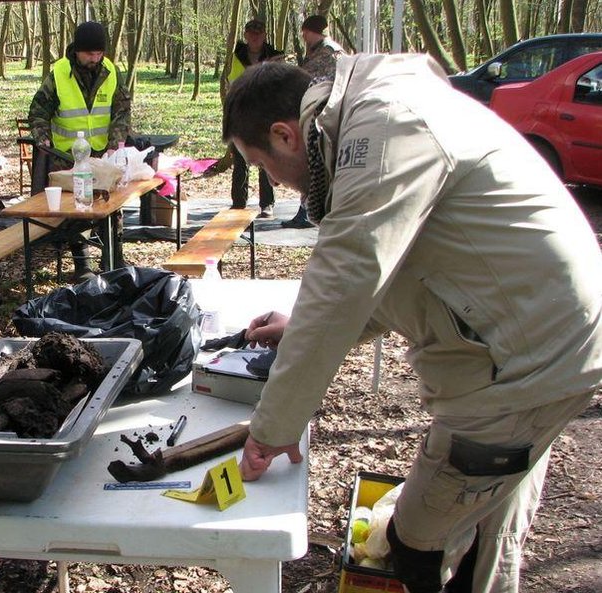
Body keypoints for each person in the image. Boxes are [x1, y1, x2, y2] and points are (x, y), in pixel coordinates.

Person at [224, 57, 602, 593]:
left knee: (419, 538)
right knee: (486, 522)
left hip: (524, 362)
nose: (273, 182)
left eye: (260, 165)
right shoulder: (375, 112)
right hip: (536, 335)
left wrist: (272, 429)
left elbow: (348, 276)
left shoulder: (384, 125)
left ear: (285, 135)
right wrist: (300, 328)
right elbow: (403, 273)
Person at [28, 20, 132, 281]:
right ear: (77, 51)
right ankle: (82, 262)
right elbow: (38, 110)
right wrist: (43, 138)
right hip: (68, 156)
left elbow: (122, 110)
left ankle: (113, 258)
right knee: (78, 209)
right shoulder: (59, 73)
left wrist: (115, 142)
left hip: (101, 153)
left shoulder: (110, 71)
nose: (94, 59)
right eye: (89, 54)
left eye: (99, 53)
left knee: (112, 207)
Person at [280, 14, 346, 230]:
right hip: (332, 116)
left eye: (304, 33)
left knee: (313, 164)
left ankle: (307, 212)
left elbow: (304, 80)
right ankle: (308, 210)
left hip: (320, 117)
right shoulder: (335, 50)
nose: (303, 38)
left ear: (308, 32)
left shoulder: (324, 54)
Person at [225, 18, 284, 218]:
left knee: (265, 160)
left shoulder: (276, 56)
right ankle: (238, 203)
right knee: (240, 159)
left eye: (258, 34)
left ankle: (267, 204)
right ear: (246, 35)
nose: (255, 37)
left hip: (267, 114)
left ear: (264, 36)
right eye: (251, 33)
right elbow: (234, 82)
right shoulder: (237, 55)